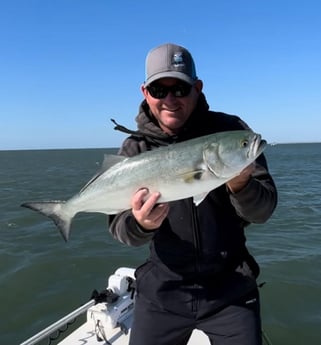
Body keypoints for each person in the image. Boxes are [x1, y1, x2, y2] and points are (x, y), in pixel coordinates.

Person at [109, 43, 277, 345]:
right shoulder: (135, 149)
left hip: (231, 289)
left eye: (181, 89)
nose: (170, 99)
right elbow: (120, 229)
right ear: (145, 92)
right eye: (160, 90)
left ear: (198, 88)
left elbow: (263, 211)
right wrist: (141, 225)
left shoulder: (232, 131)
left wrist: (241, 185)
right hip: (162, 291)